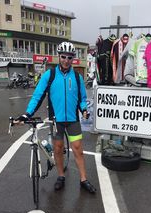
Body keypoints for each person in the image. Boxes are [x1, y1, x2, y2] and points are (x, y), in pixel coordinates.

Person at [17, 41, 96, 194]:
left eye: (70, 57)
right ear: (59, 57)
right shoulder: (50, 75)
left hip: (73, 119)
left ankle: (83, 179)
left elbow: (82, 98)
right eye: (63, 57)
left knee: (78, 149)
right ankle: (61, 176)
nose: (66, 60)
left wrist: (84, 109)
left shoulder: (78, 77)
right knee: (58, 149)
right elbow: (37, 96)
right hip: (56, 120)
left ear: (73, 58)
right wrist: (27, 114)